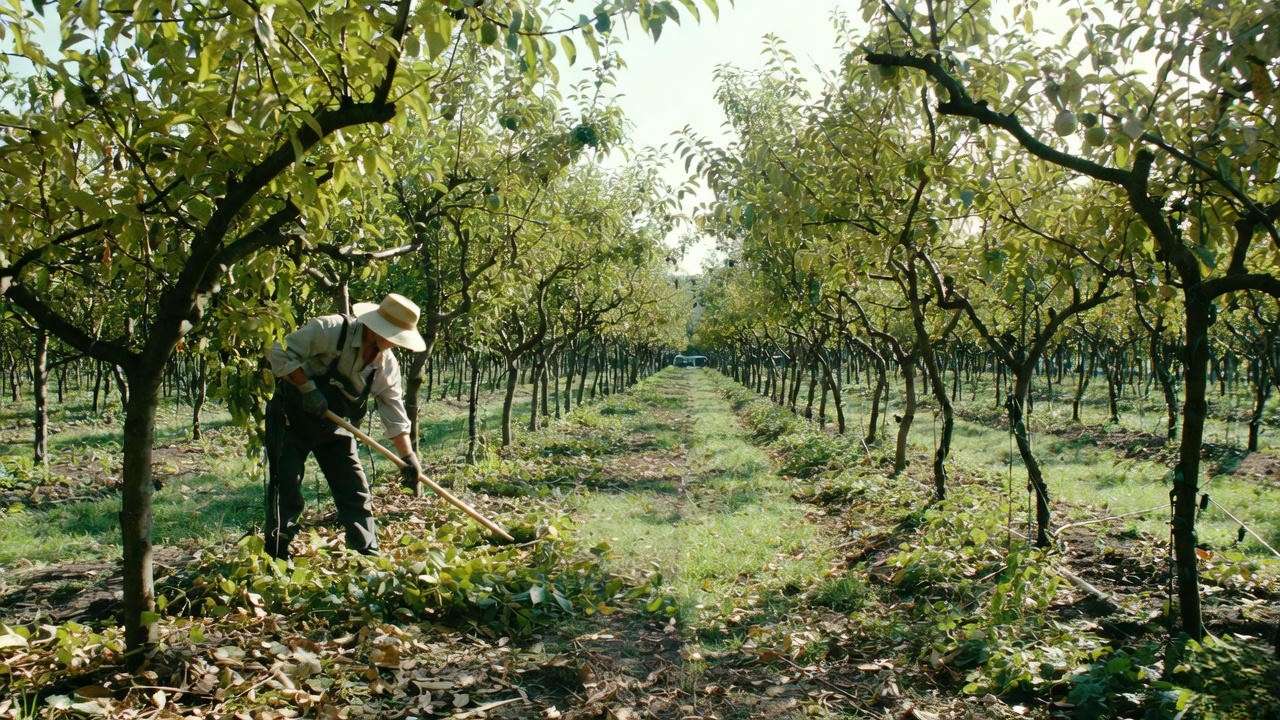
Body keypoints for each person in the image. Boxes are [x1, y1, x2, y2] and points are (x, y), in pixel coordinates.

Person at [262, 293, 427, 560]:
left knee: (354, 488)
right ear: (376, 327)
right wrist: (307, 388)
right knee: (287, 485)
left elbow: (393, 410)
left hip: (333, 424)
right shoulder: (330, 330)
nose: (396, 343)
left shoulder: (386, 365)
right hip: (290, 416)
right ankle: (278, 555)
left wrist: (408, 456)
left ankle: (367, 553)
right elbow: (279, 351)